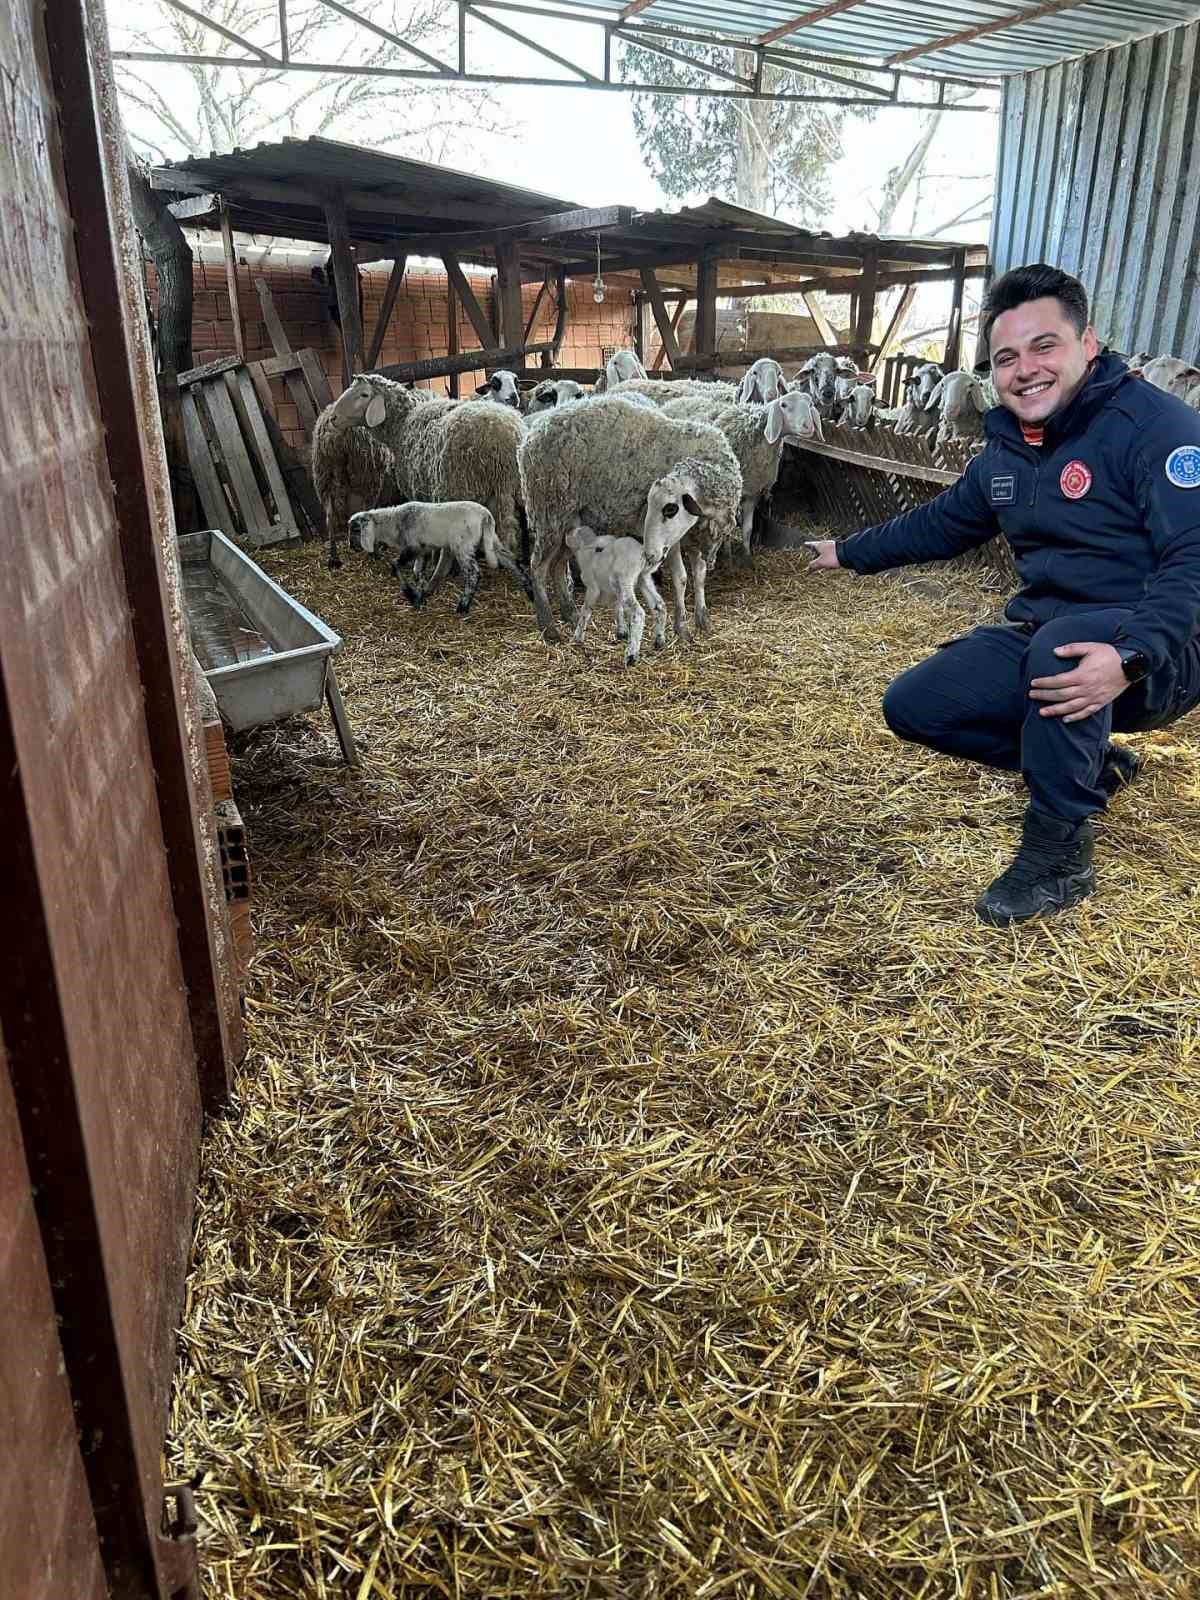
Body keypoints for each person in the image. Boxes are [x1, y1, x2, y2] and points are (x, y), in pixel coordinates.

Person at [806, 263, 1200, 926]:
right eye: (1006, 358)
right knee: (916, 704)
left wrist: (1130, 654)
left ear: (1088, 343)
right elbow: (943, 522)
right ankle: (1092, 765)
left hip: (1166, 653)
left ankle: (1058, 858)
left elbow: (1193, 559)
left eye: (1044, 346)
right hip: (1053, 634)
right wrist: (849, 551)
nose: (1025, 370)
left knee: (1060, 647)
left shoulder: (1158, 428)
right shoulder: (1010, 448)